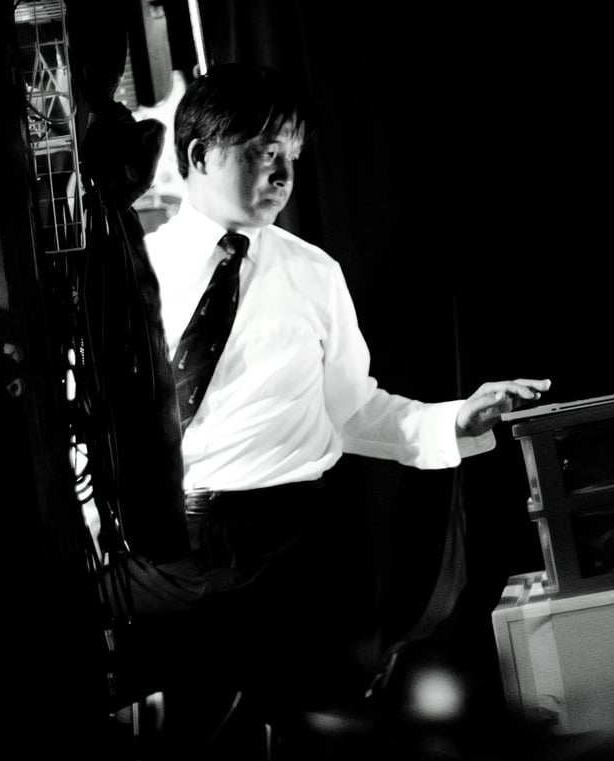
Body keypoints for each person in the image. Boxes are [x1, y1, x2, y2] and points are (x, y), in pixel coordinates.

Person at [140, 63, 551, 760]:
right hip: (177, 541)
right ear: (198, 155)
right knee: (207, 738)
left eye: (290, 156)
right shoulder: (135, 272)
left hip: (301, 542)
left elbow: (355, 409)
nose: (280, 173)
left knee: (325, 734)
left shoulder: (314, 272)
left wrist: (456, 419)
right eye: (261, 151)